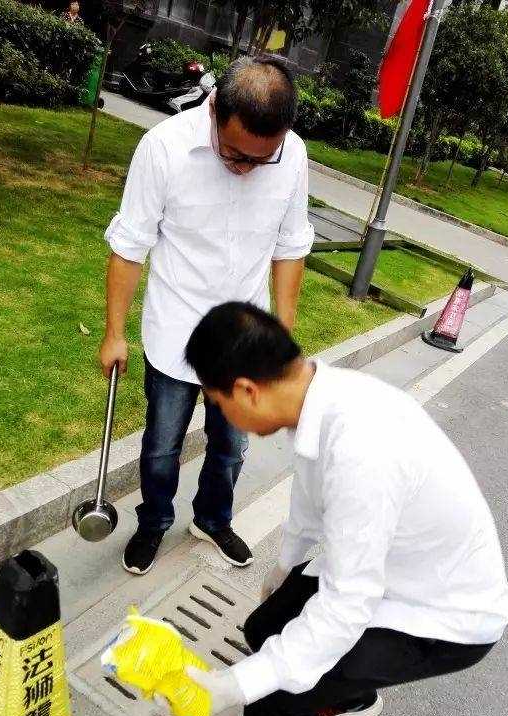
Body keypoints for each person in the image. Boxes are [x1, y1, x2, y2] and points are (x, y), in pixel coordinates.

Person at [180, 302, 508, 716]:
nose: (222, 418)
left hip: (446, 617)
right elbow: (311, 502)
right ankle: (352, 694)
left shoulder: (363, 449)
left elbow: (347, 604)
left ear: (247, 389)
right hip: (396, 574)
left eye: (218, 405)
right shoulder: (326, 397)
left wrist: (236, 684)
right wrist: (285, 565)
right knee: (265, 627)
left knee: (281, 681)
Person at [101, 58, 314, 576]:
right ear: (214, 108)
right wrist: (114, 333)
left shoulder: (292, 156)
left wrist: (282, 334)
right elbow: (130, 246)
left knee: (231, 446)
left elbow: (291, 246)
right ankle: (152, 521)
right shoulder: (165, 147)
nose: (246, 167)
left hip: (244, 342)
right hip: (174, 331)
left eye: (261, 160)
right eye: (236, 153)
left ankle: (213, 519)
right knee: (161, 447)